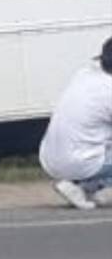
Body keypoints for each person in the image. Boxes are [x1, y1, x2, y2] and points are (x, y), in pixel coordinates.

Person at [39, 36, 112, 210]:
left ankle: (88, 188)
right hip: (76, 162)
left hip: (49, 157)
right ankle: (80, 186)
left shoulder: (85, 73)